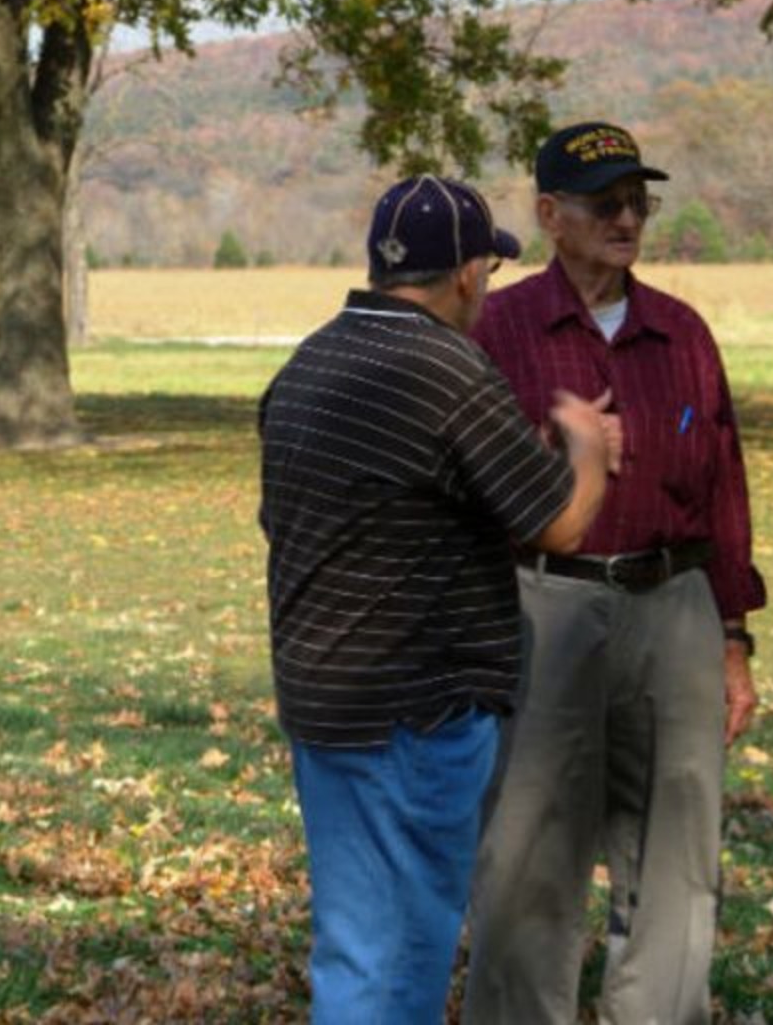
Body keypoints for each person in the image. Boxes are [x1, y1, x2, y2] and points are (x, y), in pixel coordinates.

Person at [260, 173, 618, 1025]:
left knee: (353, 945)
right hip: (415, 712)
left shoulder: (311, 362)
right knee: (403, 961)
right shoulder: (446, 368)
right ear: (466, 274)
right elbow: (560, 522)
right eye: (487, 272)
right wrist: (588, 445)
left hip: (322, 701)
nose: (488, 290)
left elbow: (323, 513)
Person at [464, 121, 766, 1025]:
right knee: (527, 859)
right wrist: (555, 451)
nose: (627, 218)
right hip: (544, 604)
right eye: (606, 203)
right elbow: (462, 477)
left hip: (674, 604)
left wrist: (734, 636)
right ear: (551, 214)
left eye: (639, 201)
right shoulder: (500, 327)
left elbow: (724, 492)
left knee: (679, 857)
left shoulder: (682, 332)